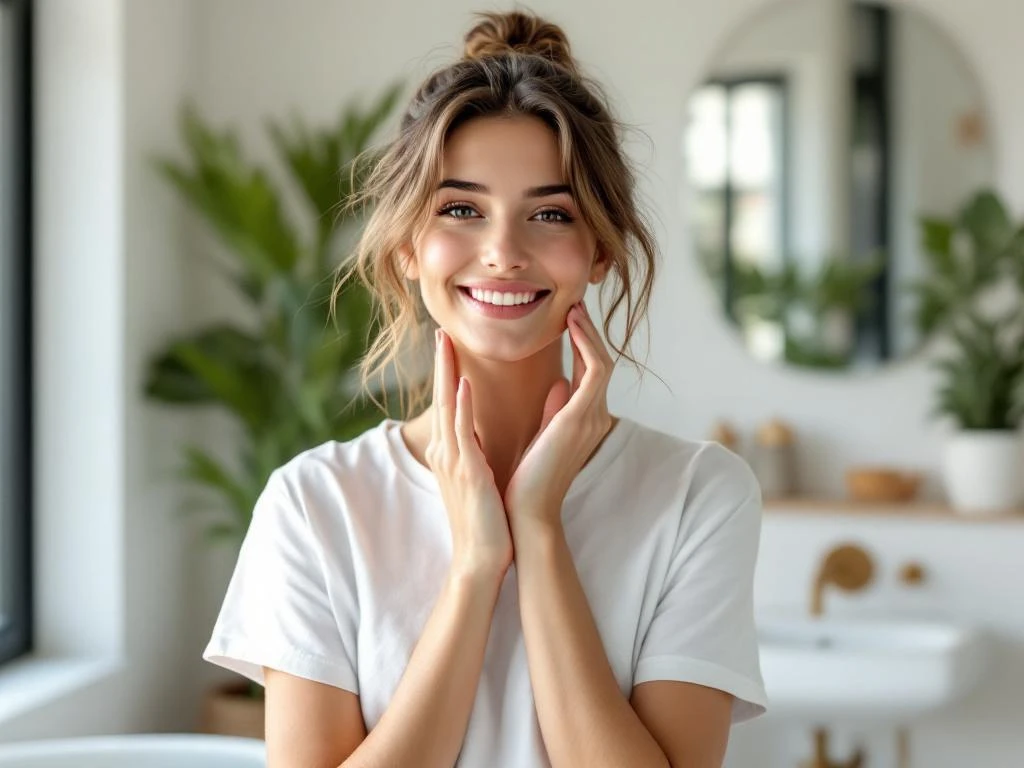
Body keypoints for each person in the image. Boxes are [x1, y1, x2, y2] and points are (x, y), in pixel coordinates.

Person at [204, 10, 768, 768]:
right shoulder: (315, 505)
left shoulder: (699, 495)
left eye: (550, 213)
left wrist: (537, 528)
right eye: (461, 209)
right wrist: (474, 568)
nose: (502, 252)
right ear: (407, 245)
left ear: (599, 252)